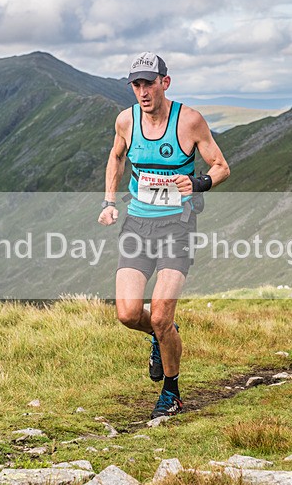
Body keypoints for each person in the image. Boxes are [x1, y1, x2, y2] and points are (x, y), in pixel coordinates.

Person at [98, 52, 230, 418]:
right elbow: (116, 156)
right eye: (136, 85)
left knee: (159, 315)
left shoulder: (189, 121)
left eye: (149, 84)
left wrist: (199, 183)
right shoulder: (126, 120)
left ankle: (171, 392)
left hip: (177, 226)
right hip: (138, 224)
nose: (142, 92)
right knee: (128, 314)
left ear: (165, 83)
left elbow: (221, 166)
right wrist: (109, 201)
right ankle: (163, 333)